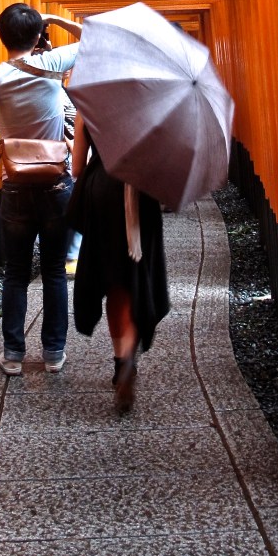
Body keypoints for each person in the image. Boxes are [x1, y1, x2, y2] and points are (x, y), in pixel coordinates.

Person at [0, 3, 82, 375]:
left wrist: (39, 28)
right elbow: (96, 41)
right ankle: (53, 354)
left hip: (14, 185)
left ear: (1, 35)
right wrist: (54, 21)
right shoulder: (52, 63)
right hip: (56, 183)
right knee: (54, 270)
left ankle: (12, 355)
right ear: (38, 36)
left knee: (16, 272)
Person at [67, 112, 170, 411]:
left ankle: (121, 361)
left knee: (114, 282)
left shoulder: (89, 107)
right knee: (135, 276)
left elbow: (77, 168)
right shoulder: (148, 107)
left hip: (102, 192)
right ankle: (128, 357)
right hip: (140, 195)